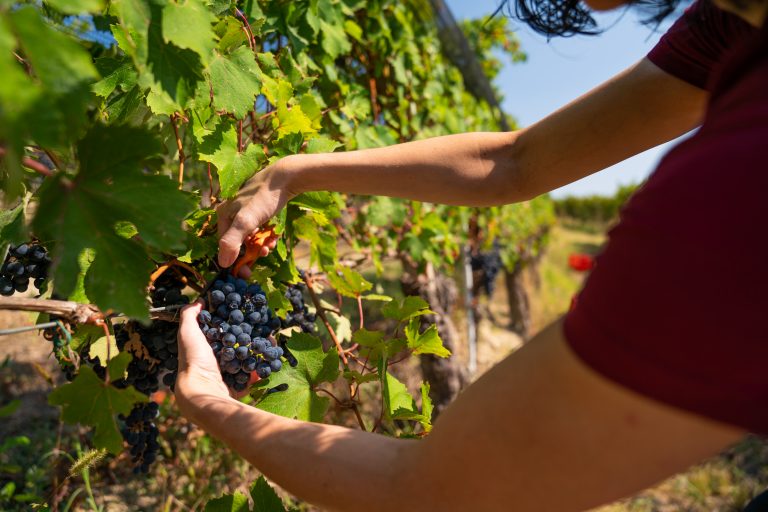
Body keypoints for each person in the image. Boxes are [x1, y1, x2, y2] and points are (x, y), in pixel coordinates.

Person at [174, 0, 768, 508]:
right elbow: (516, 162)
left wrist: (209, 401)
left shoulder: (731, 190)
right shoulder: (730, 23)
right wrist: (290, 173)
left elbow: (439, 492)